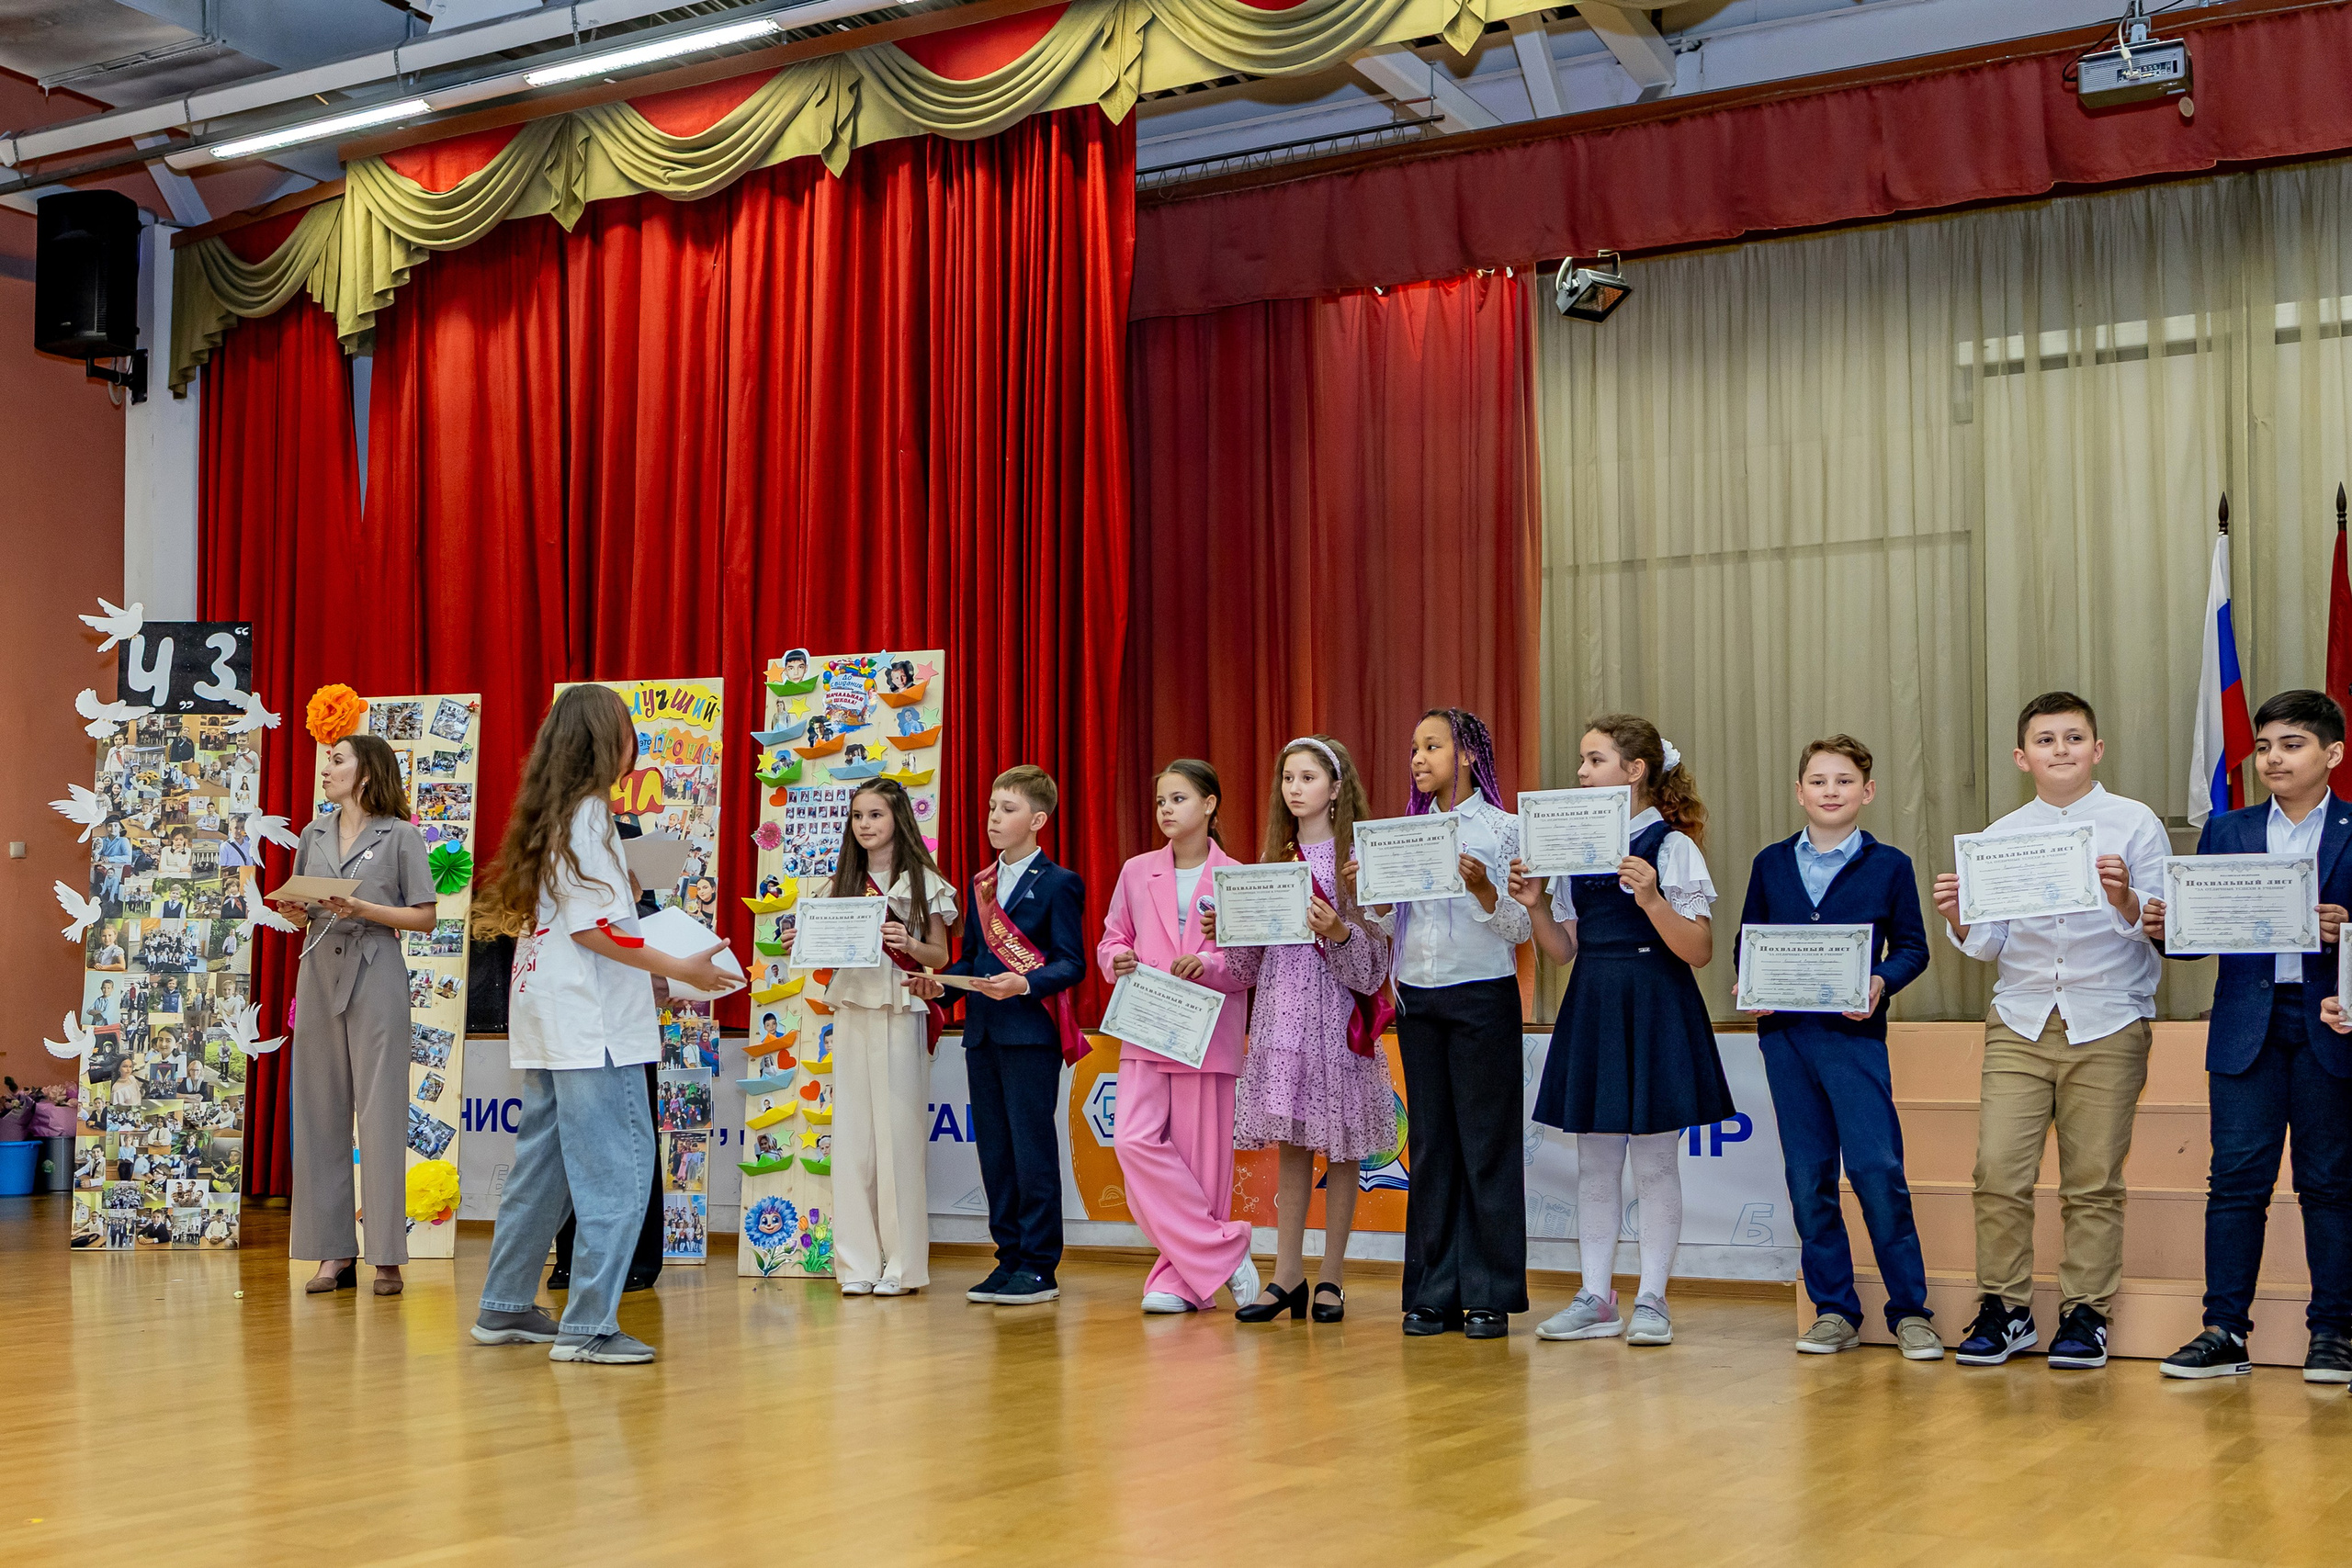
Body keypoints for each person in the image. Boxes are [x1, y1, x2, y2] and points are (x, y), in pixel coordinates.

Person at [469, 683, 732, 1365]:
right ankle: (588, 1323)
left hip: (555, 1013)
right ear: (608, 742)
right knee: (618, 1170)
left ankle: (503, 1305)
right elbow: (594, 928)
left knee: (544, 1169)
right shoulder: (590, 818)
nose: (633, 742)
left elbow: (575, 927)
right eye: (626, 730)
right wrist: (683, 967)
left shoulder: (553, 816)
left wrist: (653, 972)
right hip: (594, 1026)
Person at [1934, 692, 2166, 1371]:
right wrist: (1960, 915)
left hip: (2109, 1014)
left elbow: (2162, 923)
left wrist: (2124, 898)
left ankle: (2085, 1312)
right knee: (1998, 1170)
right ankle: (2004, 1309)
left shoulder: (2135, 823)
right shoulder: (2001, 834)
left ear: (2097, 749)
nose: (2059, 749)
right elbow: (1986, 945)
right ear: (2021, 756)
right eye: (2045, 739)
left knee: (2092, 1180)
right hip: (2021, 1015)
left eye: (2073, 738)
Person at [2150, 692, 2352, 1382]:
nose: (2272, 758)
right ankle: (2224, 1330)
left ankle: (2334, 1333)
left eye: (2291, 744)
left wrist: (2348, 930)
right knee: (2235, 1181)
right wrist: (2163, 926)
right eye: (2264, 746)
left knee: (2329, 1182)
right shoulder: (2228, 830)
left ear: (2333, 754)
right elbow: (2195, 941)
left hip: (2331, 1024)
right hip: (2245, 1026)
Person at [1514, 715, 1728, 1348]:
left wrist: (1655, 900)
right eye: (1581, 760)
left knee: (1657, 1161)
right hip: (1596, 1000)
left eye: (1595, 759)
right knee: (1596, 1161)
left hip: (1657, 999)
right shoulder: (1577, 848)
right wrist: (1534, 906)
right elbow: (1562, 950)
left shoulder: (1672, 846)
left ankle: (1654, 1297)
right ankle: (1594, 1294)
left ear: (1634, 771)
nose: (1581, 772)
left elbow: (1700, 950)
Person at [1733, 736, 1939, 1359]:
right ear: (1799, 791)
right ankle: (1834, 1310)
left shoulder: (1891, 865)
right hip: (1787, 1040)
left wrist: (1880, 980)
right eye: (1818, 780)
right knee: (1807, 1177)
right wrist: (1748, 983)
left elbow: (1912, 947)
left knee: (1877, 1172)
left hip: (1854, 1039)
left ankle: (1911, 1311)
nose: (1830, 791)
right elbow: (1750, 940)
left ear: (1867, 792)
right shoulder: (1770, 863)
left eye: (1844, 781)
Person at [1362, 709, 1531, 1340]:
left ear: (1465, 754)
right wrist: (1372, 895)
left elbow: (1520, 928)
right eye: (1412, 748)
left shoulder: (1503, 829)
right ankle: (1433, 1292)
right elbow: (1385, 923)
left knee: (1486, 1143)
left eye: (1431, 746)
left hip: (1483, 996)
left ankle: (1488, 1293)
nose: (1417, 758)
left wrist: (1486, 889)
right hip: (1419, 1001)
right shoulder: (1404, 832)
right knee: (1431, 1146)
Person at [1211, 737, 1392, 1324]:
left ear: (1337, 789)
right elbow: (1248, 971)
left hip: (1338, 1021)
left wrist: (1338, 930)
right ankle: (1286, 1274)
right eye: (1288, 778)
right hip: (1282, 1020)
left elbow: (1373, 968)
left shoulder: (1356, 865)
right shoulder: (1270, 865)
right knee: (1291, 1148)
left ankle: (1332, 1277)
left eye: (1308, 777)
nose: (1294, 788)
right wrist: (1228, 932)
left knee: (1341, 1152)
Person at [913, 764, 1086, 1306]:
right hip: (983, 1034)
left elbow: (1071, 964)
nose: (993, 817)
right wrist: (941, 986)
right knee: (995, 1150)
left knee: (1031, 1150)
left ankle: (1040, 1265)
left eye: (1007, 809)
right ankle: (1008, 1256)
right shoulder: (981, 882)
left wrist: (1025, 983)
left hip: (1029, 1036)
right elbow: (972, 959)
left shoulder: (1060, 883)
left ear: (1037, 820)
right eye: (991, 807)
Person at [1096, 760, 1261, 1315]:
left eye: (1179, 798)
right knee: (1133, 1141)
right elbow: (1113, 936)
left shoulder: (1238, 875)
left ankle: (1180, 1281)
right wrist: (1115, 958)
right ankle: (1225, 1254)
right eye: (1161, 800)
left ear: (1210, 805)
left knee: (1199, 1164)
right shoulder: (1137, 870)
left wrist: (1211, 965)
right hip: (1145, 1026)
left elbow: (1248, 966)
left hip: (1207, 1033)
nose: (1166, 810)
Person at [277, 731, 438, 1298]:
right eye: (328, 759)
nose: (327, 767)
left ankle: (387, 1256)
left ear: (366, 772)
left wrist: (363, 907)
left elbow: (425, 918)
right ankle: (332, 1252)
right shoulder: (311, 834)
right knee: (319, 1111)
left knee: (381, 1112)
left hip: (377, 972)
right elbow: (304, 909)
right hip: (318, 970)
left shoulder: (403, 837)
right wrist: (298, 912)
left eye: (338, 760)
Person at [781, 779, 956, 1297]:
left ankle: (902, 1269)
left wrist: (911, 942)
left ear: (898, 818)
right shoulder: (841, 883)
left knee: (899, 1141)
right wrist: (799, 940)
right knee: (854, 1140)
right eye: (858, 816)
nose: (865, 825)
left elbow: (941, 958)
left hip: (901, 1008)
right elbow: (826, 952)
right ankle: (855, 1265)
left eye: (875, 815)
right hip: (853, 1009)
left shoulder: (923, 881)